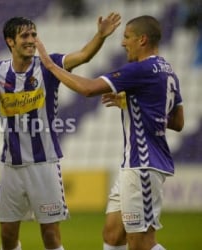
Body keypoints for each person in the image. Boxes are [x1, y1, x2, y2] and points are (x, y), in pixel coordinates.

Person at [35, 15, 184, 250]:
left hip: (143, 165)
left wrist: (51, 66)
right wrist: (134, 104)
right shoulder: (168, 71)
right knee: (112, 235)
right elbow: (177, 121)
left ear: (142, 39)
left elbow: (87, 89)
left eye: (127, 37)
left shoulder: (140, 69)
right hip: (134, 165)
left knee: (141, 244)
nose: (123, 43)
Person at [0, 13, 121, 250]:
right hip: (10, 165)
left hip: (44, 164)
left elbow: (84, 56)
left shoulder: (49, 65)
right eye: (24, 35)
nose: (31, 40)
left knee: (50, 234)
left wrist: (100, 36)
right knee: (6, 236)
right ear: (10, 41)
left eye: (34, 35)